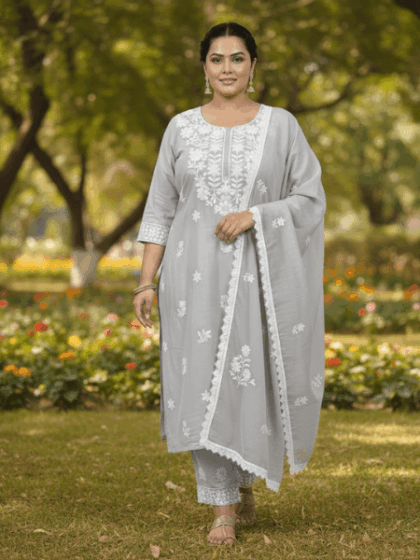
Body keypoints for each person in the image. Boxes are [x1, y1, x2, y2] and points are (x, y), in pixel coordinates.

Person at [133, 21, 327, 546]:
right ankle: (221, 506)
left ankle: (242, 481)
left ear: (253, 65)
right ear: (204, 67)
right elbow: (160, 210)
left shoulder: (281, 126)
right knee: (200, 383)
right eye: (216, 59)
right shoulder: (180, 128)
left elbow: (310, 198)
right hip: (191, 283)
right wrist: (146, 282)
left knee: (246, 380)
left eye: (237, 58)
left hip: (255, 278)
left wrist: (256, 215)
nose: (227, 68)